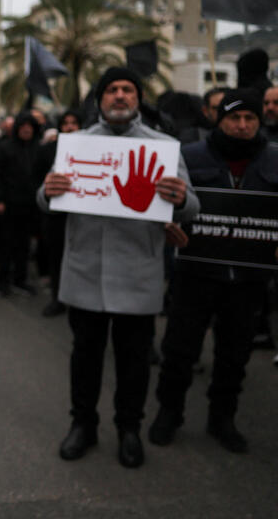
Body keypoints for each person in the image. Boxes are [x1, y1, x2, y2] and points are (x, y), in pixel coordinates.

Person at [39, 67, 199, 468]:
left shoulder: (163, 147)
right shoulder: (76, 145)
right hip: (85, 271)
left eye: (128, 89)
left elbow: (192, 207)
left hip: (137, 273)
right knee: (85, 356)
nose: (120, 96)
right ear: (100, 99)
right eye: (112, 89)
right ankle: (83, 426)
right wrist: (47, 191)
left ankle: (129, 429)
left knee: (134, 360)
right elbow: (46, 199)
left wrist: (179, 199)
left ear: (138, 98)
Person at [148, 89, 278, 453]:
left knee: (235, 354)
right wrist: (168, 224)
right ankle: (169, 413)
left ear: (258, 121)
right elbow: (167, 203)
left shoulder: (275, 160)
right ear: (218, 120)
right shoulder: (188, 157)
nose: (241, 126)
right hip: (195, 273)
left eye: (249, 119)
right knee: (179, 350)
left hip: (249, 279)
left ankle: (223, 418)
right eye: (233, 118)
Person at [34, 110, 83, 316]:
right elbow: (38, 182)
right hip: (56, 216)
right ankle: (58, 299)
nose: (70, 127)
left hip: (82, 218)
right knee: (57, 258)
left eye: (74, 123)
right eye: (66, 123)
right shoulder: (48, 151)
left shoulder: (92, 149)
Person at [0, 111, 42, 297]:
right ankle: (3, 281)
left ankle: (21, 280)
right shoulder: (4, 148)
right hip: (8, 206)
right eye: (23, 126)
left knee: (24, 246)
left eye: (30, 127)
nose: (27, 130)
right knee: (6, 244)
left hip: (30, 207)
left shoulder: (38, 149)